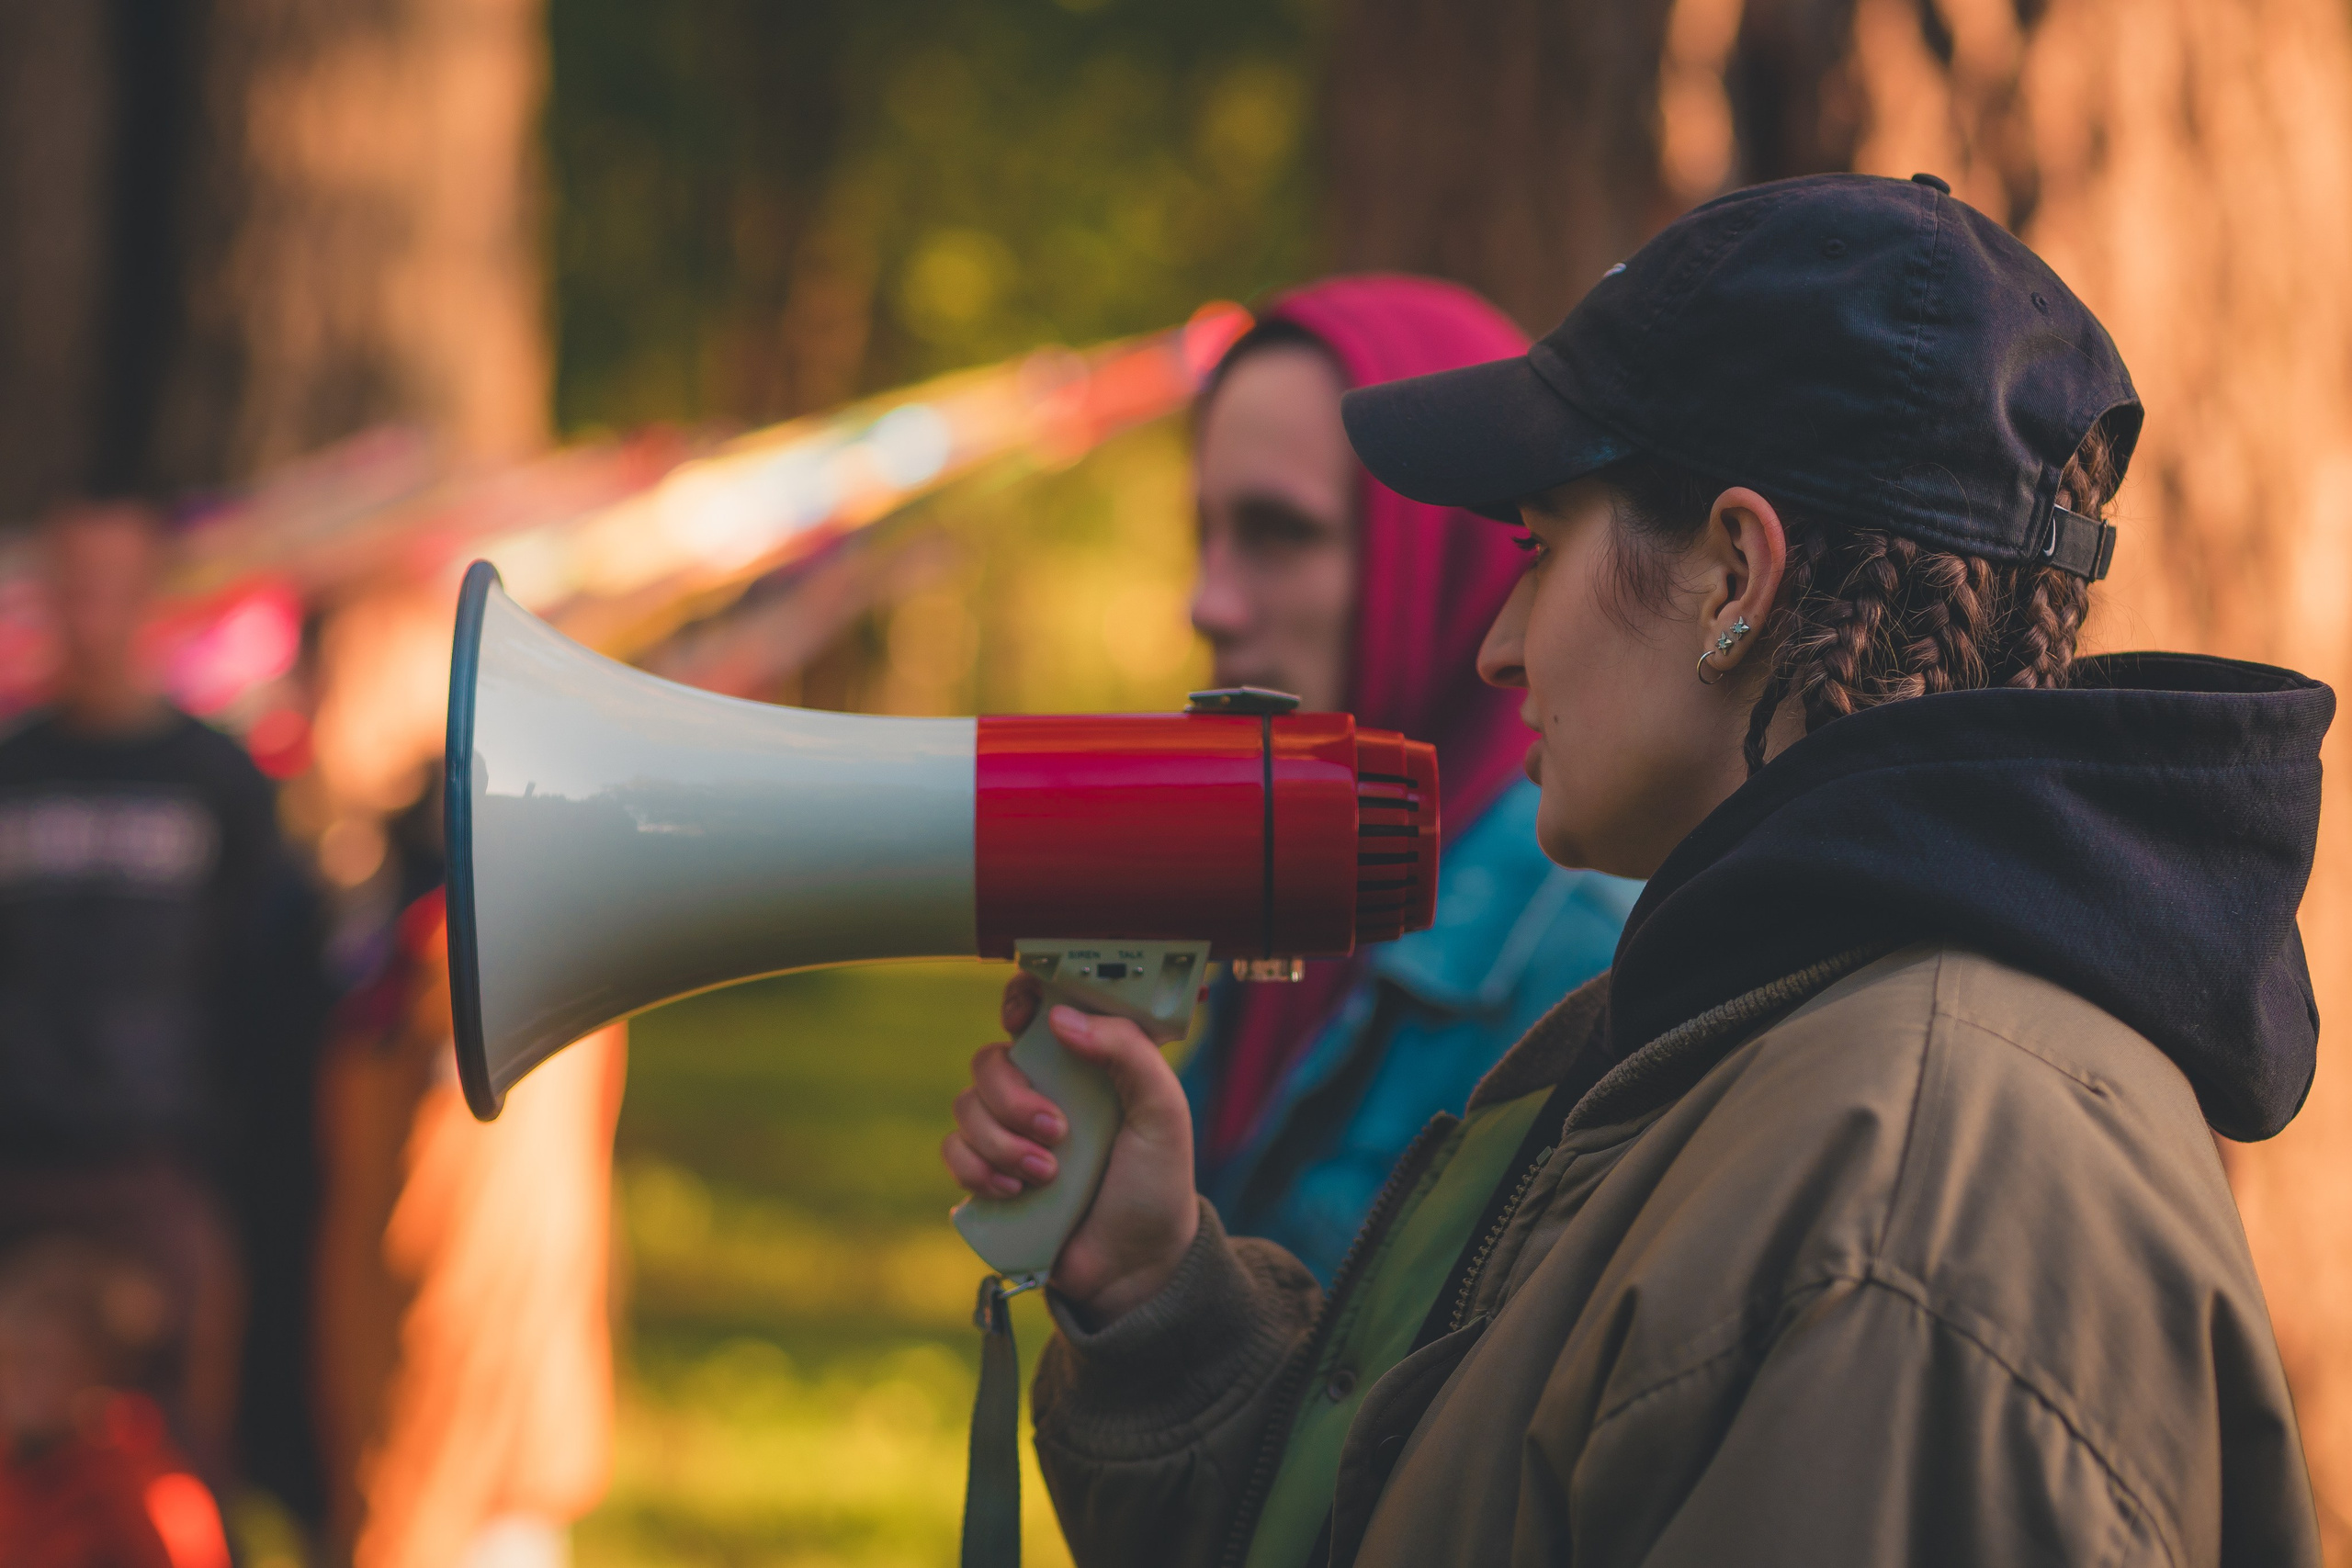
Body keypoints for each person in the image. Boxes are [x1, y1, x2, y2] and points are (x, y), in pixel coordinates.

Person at [944, 173, 2324, 1565]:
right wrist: (1160, 1301)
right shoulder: (1771, 1031)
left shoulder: (1910, 1207)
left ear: (1736, 575)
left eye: (1538, 552)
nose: (1498, 647)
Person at [1174, 276, 1634, 1280]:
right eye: (1201, 532)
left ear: (1446, 549)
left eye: (1276, 533)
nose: (1204, 603)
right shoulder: (1294, 873)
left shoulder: (1590, 966)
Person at [0, 497, 315, 1508]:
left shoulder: (215, 781)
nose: (89, 616)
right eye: (70, 588)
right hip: (19, 1164)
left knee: (174, 1460)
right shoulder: (13, 771)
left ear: (153, 603)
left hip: (164, 1166)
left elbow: (264, 981)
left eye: (111, 590)